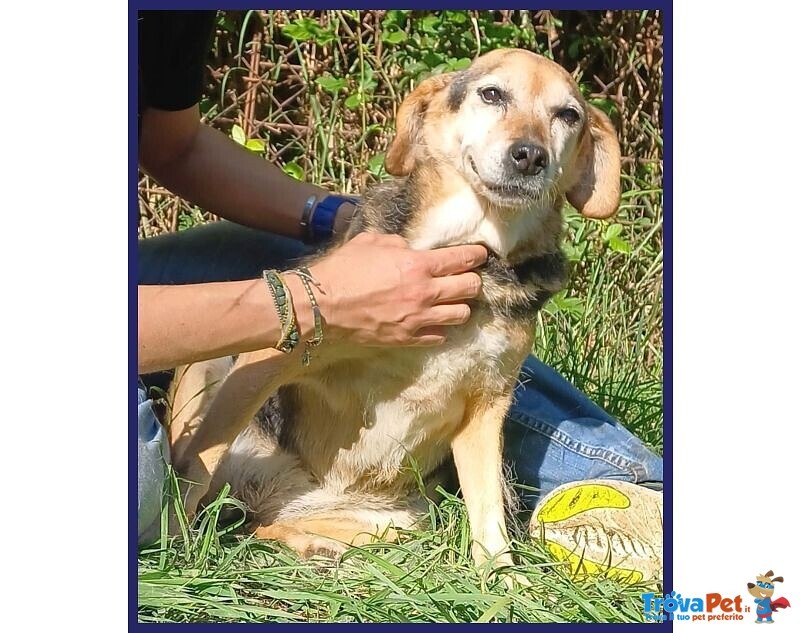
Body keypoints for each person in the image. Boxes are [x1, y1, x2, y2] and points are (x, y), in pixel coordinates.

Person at [137, 10, 663, 579]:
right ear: (431, 116)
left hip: (375, 490)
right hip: (267, 440)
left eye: (562, 117)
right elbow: (272, 344)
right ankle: (182, 489)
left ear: (582, 154)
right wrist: (318, 301)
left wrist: (329, 215)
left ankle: (635, 489)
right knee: (143, 486)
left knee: (475, 387)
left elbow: (176, 145)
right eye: (493, 97)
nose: (528, 142)